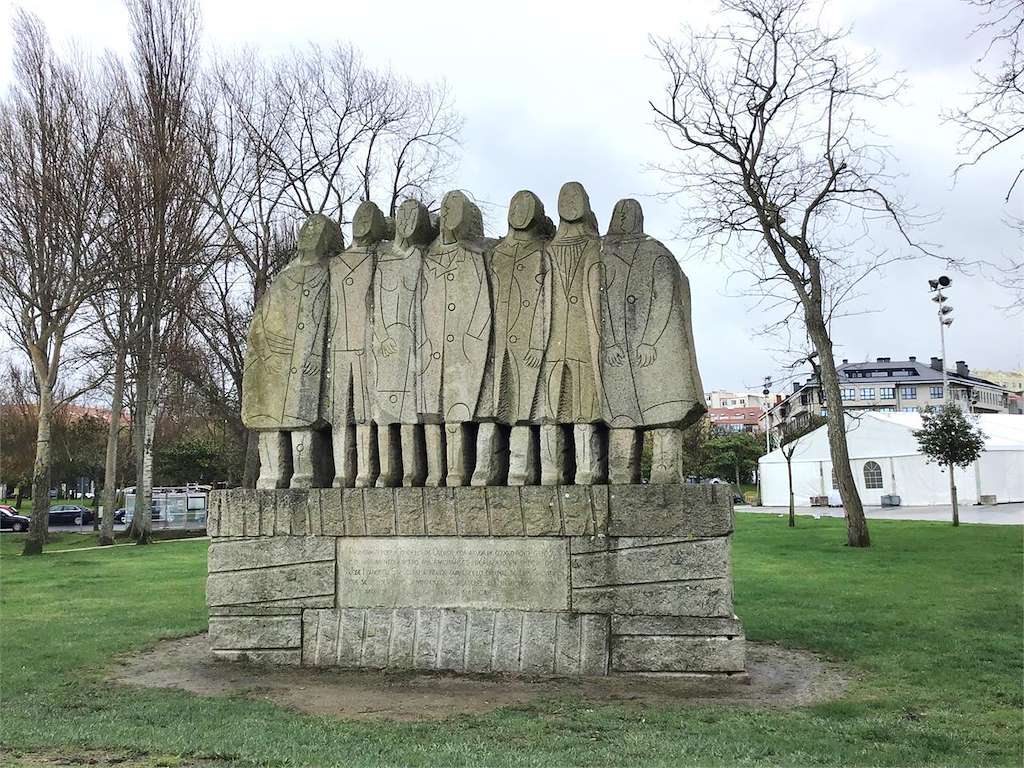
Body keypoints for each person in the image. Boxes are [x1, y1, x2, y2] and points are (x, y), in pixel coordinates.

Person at [597, 198, 706, 482]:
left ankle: (666, 470)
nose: (622, 220)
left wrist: (649, 339)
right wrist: (609, 344)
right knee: (622, 418)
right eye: (619, 214)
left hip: (651, 354)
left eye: (626, 214)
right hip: (618, 354)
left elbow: (665, 300)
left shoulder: (656, 253)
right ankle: (621, 471)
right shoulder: (603, 255)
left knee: (664, 415)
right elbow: (601, 304)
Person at [242, 214, 341, 488]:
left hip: (308, 362)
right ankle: (270, 474)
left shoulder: (332, 273)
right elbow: (260, 324)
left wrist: (317, 357)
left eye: (317, 233)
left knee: (302, 421)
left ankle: (304, 473)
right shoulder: (284, 277)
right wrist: (269, 355)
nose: (310, 237)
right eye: (307, 232)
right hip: (277, 364)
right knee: (269, 422)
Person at [473, 189, 552, 485]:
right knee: (491, 409)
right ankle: (486, 467)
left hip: (528, 342)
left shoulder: (542, 252)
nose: (518, 212)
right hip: (494, 342)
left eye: (525, 206)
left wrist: (536, 341)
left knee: (525, 409)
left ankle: (523, 468)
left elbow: (547, 301)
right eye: (514, 206)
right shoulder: (495, 253)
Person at [417, 190, 493, 486]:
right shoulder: (427, 257)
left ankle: (457, 469)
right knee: (431, 413)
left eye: (455, 207)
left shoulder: (473, 256)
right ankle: (435, 470)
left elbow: (481, 305)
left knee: (457, 410)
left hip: (463, 351)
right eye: (445, 207)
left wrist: (471, 343)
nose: (448, 212)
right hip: (429, 348)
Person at [538, 181, 604, 485]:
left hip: (584, 338)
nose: (570, 203)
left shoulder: (596, 245)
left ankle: (587, 468)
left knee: (584, 407)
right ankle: (551, 469)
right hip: (551, 340)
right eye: (564, 197)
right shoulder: (547, 250)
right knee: (550, 406)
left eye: (576, 197)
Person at [371, 199, 434, 486]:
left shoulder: (423, 257)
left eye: (414, 216)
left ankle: (410, 470)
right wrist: (382, 335)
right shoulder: (384, 259)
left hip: (415, 342)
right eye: (403, 216)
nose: (407, 221)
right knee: (384, 409)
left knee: (410, 409)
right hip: (385, 345)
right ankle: (386, 470)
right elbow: (374, 303)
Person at [327, 200, 384, 488]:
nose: (362, 222)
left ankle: (365, 470)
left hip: (367, 346)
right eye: (358, 217)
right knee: (339, 413)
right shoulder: (335, 264)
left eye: (369, 217)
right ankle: (341, 471)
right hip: (338, 347)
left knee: (364, 413)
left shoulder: (380, 257)